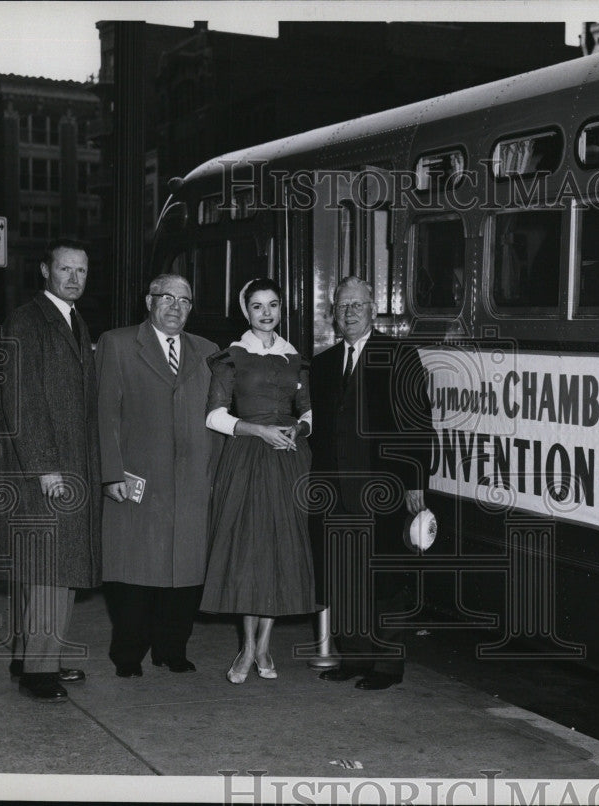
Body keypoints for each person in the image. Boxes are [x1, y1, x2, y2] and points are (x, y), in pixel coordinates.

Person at [310, 276, 434, 691]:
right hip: (335, 492)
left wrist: (416, 481)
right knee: (345, 577)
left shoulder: (399, 355)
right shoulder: (324, 364)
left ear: (373, 310)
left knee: (385, 580)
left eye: (357, 306)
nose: (349, 313)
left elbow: (419, 423)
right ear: (333, 313)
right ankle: (354, 657)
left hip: (385, 489)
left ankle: (387, 667)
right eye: (343, 306)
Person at [95, 274, 222, 677]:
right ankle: (128, 655)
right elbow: (105, 414)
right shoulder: (117, 343)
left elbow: (217, 419)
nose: (175, 306)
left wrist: (215, 476)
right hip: (137, 480)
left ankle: (172, 648)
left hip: (192, 483)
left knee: (184, 575)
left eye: (184, 300)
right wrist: (111, 473)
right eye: (166, 297)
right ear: (148, 300)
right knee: (134, 576)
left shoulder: (209, 351)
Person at [0, 238, 101, 703]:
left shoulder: (72, 320)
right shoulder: (28, 318)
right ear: (45, 271)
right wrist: (45, 468)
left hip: (67, 464)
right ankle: (40, 672)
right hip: (46, 469)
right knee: (49, 571)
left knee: (53, 567)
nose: (74, 278)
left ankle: (35, 656)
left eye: (81, 271)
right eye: (65, 270)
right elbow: (21, 400)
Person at [200, 278, 316, 684]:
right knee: (249, 552)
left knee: (279, 551)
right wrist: (258, 431)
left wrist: (296, 433)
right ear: (244, 310)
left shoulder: (295, 357)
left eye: (273, 305)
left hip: (289, 460)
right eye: (257, 306)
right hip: (248, 457)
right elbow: (214, 415)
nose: (266, 313)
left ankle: (264, 645)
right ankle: (247, 647)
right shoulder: (232, 356)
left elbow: (308, 413)